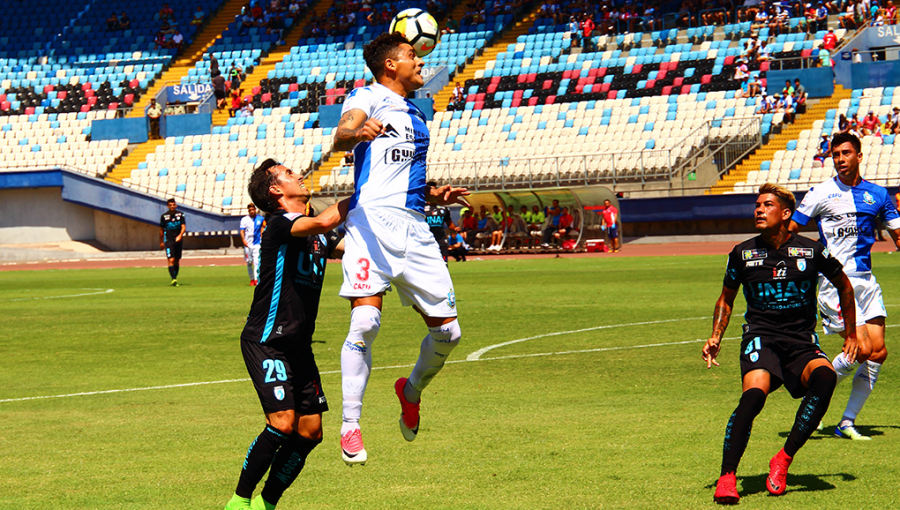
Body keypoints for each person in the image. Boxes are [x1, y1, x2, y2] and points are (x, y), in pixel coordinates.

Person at [331, 32, 469, 466]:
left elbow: (402, 178)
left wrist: (434, 195)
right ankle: (350, 426)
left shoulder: (417, 113)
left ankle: (409, 391)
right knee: (366, 321)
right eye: (412, 55)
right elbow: (341, 134)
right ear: (390, 65)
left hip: (415, 227)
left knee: (449, 333)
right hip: (371, 223)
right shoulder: (366, 95)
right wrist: (356, 132)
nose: (420, 61)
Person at [704, 183, 856, 504]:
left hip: (800, 342)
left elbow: (844, 286)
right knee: (753, 397)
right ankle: (727, 476)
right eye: (757, 205)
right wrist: (716, 336)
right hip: (761, 339)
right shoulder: (742, 253)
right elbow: (726, 299)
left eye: (767, 205)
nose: (759, 210)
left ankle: (783, 459)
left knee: (826, 377)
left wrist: (852, 333)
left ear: (785, 214)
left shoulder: (812, 251)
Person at [222, 159, 350, 510]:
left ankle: (267, 503)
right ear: (276, 190)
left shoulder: (318, 231)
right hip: (267, 341)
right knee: (282, 424)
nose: (299, 175)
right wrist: (369, 187)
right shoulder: (278, 224)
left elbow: (351, 248)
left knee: (310, 432)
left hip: (298, 346)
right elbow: (326, 219)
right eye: (290, 174)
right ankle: (238, 501)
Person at [789, 132, 900, 440]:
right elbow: (791, 230)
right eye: (835, 154)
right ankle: (813, 390)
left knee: (877, 353)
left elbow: (898, 234)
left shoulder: (878, 195)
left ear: (859, 156)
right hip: (835, 284)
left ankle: (846, 422)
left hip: (866, 282)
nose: (839, 159)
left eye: (846, 153)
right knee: (860, 348)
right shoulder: (820, 192)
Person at [424, 182, 458, 263]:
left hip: (441, 242)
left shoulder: (443, 209)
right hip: (425, 242)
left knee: (443, 265)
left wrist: (455, 228)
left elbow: (449, 223)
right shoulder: (421, 208)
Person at [159, 198, 186, 286]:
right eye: (170, 205)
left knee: (177, 260)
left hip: (178, 240)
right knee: (171, 259)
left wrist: (180, 235)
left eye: (173, 205)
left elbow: (183, 227)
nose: (172, 207)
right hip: (169, 240)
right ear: (167, 206)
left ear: (176, 205)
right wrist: (161, 241)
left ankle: (175, 276)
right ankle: (173, 279)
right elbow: (161, 230)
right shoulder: (164, 217)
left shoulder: (180, 215)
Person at [240, 203, 266, 286]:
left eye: (253, 209)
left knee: (257, 262)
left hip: (257, 244)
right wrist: (243, 240)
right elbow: (242, 231)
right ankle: (251, 278)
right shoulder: (244, 220)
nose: (252, 211)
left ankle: (256, 280)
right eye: (250, 210)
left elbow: (263, 229)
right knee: (249, 262)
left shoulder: (261, 219)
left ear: (255, 210)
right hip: (248, 244)